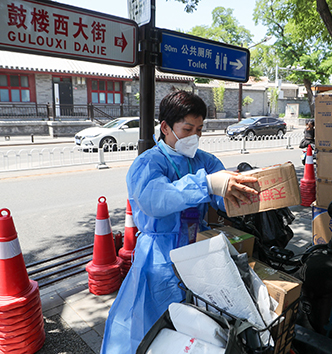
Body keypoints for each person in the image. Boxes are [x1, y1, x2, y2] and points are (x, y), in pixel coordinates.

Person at [101, 91, 259, 353]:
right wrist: (206, 183)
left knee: (196, 325)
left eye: (199, 129)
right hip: (159, 257)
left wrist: (238, 193)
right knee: (153, 324)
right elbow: (155, 199)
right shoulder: (149, 163)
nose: (194, 137)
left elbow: (221, 200)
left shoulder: (205, 161)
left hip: (198, 251)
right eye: (187, 129)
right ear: (165, 127)